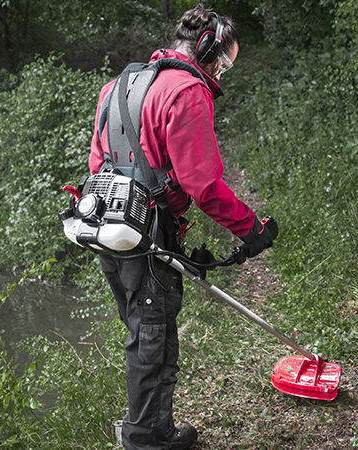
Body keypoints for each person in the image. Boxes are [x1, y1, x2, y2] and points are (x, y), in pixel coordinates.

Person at [86, 4, 276, 450]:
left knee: (139, 328)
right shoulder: (187, 90)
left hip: (110, 228)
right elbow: (203, 184)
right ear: (207, 49)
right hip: (148, 233)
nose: (222, 71)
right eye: (223, 61)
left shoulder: (116, 86)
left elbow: (98, 164)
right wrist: (251, 230)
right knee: (154, 335)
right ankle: (148, 438)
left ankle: (142, 423)